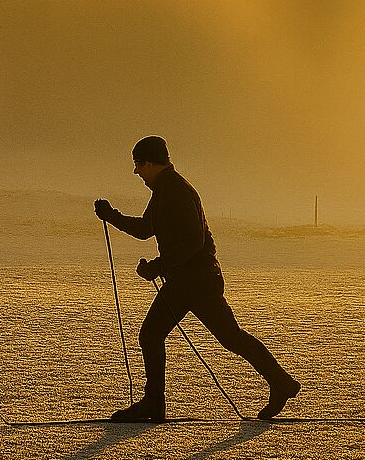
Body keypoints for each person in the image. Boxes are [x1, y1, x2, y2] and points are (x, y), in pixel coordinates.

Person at [94, 136, 301, 422]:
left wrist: (157, 266)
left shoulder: (175, 191)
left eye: (139, 165)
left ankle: (154, 403)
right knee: (229, 337)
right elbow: (145, 229)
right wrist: (111, 216)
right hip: (191, 280)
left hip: (194, 281)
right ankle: (281, 383)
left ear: (152, 163)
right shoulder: (166, 189)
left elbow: (193, 241)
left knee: (154, 335)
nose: (136, 172)